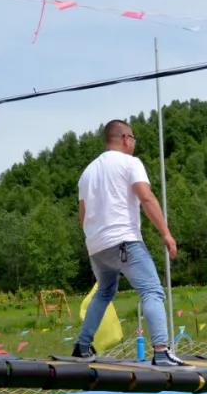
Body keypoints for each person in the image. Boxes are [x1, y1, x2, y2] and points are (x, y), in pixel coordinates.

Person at [72, 119, 186, 367]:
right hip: (124, 240)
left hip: (97, 246)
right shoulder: (130, 163)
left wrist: (95, 240)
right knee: (152, 291)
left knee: (104, 291)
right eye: (133, 138)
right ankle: (161, 351)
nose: (134, 143)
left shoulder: (87, 172)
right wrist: (166, 233)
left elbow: (82, 214)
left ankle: (82, 346)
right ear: (125, 138)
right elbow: (146, 197)